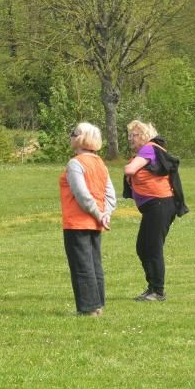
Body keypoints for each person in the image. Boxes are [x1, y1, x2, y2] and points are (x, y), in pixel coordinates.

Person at [60, 123, 116, 316]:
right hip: (95, 223)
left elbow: (81, 195)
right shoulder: (100, 162)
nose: (70, 136)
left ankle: (88, 308)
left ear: (81, 138)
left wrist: (100, 215)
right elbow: (110, 195)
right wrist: (105, 214)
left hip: (77, 222)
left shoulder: (76, 163)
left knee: (82, 266)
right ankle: (97, 305)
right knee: (94, 264)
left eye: (73, 133)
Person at [123, 120, 179, 302]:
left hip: (160, 204)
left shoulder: (149, 148)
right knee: (142, 247)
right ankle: (152, 287)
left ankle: (158, 291)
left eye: (135, 135)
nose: (130, 138)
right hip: (154, 207)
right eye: (129, 135)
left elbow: (130, 169)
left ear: (145, 136)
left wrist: (127, 170)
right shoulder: (146, 151)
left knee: (152, 247)